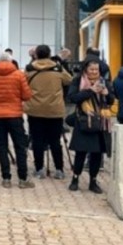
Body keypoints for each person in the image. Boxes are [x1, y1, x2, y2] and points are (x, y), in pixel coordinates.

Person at [0, 52, 34, 189]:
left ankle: (6, 178)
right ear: (11, 61)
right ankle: (22, 179)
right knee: (20, 147)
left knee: (2, 147)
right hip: (15, 115)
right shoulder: (19, 75)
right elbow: (27, 95)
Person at [25, 45, 73, 179]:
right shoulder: (57, 68)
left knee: (37, 140)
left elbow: (23, 82)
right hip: (54, 110)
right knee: (55, 141)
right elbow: (69, 79)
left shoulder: (30, 68)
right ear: (49, 54)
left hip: (35, 110)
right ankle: (59, 170)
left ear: (36, 55)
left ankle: (39, 169)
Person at [67, 57, 114, 193]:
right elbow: (72, 98)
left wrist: (107, 94)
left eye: (96, 70)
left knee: (97, 153)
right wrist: (90, 91)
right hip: (84, 121)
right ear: (85, 69)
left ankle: (93, 181)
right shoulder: (78, 81)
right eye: (91, 69)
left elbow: (111, 100)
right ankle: (75, 179)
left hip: (100, 122)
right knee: (80, 152)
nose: (94, 72)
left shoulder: (104, 82)